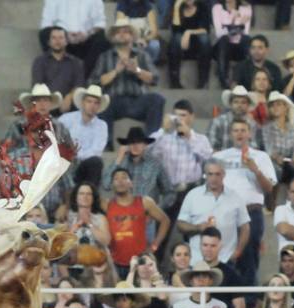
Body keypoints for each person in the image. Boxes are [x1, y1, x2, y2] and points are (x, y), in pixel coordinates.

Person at [214, 119, 276, 286]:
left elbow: (269, 188)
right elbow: (209, 186)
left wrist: (255, 170)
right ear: (230, 134)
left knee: (249, 258)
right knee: (223, 256)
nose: (239, 133)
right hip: (224, 211)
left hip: (251, 212)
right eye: (235, 130)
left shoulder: (261, 156)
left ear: (249, 133)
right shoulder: (218, 157)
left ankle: (249, 300)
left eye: (243, 130)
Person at [149, 100, 212, 243]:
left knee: (194, 227)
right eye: (176, 116)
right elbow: (145, 151)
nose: (179, 120)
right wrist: (162, 130)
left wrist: (189, 136)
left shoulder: (201, 139)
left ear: (192, 117)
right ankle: (156, 258)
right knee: (161, 227)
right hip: (170, 190)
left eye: (183, 115)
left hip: (192, 190)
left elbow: (208, 157)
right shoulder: (165, 139)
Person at [93, 17, 165, 141]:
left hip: (137, 100)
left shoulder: (142, 55)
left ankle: (151, 140)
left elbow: (155, 79)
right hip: (114, 101)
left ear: (132, 36)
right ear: (114, 36)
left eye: (125, 31)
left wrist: (137, 70)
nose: (121, 34)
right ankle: (106, 144)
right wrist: (116, 71)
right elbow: (95, 83)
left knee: (157, 99)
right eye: (118, 32)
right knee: (102, 101)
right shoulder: (105, 57)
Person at [177, 159, 250, 269]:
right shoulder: (193, 195)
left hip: (226, 259)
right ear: (205, 175)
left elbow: (245, 227)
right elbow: (180, 224)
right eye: (210, 174)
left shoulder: (235, 197)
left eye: (217, 174)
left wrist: (237, 252)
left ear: (224, 174)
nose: (214, 178)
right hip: (197, 260)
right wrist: (197, 228)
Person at [101, 168, 170, 278]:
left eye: (124, 177)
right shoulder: (106, 204)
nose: (120, 181)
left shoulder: (144, 202)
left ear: (131, 183)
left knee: (142, 295)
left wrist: (155, 245)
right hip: (114, 263)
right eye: (116, 179)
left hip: (140, 262)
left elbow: (165, 220)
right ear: (112, 185)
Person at [102, 126, 173, 210]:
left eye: (139, 142)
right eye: (132, 142)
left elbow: (170, 193)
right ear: (128, 145)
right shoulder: (121, 163)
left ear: (145, 145)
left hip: (147, 216)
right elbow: (106, 185)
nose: (135, 146)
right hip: (125, 215)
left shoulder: (155, 164)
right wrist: (118, 159)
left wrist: (157, 210)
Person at [39, 0, 108, 80]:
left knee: (101, 40)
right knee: (44, 34)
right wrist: (64, 35)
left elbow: (100, 23)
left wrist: (87, 34)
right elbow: (46, 24)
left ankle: (82, 79)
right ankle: (62, 78)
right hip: (62, 38)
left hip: (86, 39)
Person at [57, 85, 108, 187]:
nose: (92, 105)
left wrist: (76, 155)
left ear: (98, 106)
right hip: (65, 162)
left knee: (96, 162)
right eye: (89, 101)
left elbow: (96, 151)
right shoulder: (66, 119)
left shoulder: (102, 125)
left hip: (84, 165)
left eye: (96, 103)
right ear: (83, 103)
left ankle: (90, 195)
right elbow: (57, 140)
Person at [263, 91, 294, 200]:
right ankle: (270, 202)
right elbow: (269, 149)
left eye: (278, 104)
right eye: (272, 106)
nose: (275, 108)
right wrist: (276, 157)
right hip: (275, 161)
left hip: (291, 160)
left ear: (286, 107)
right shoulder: (267, 127)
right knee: (274, 169)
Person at [198, 226, 246, 308]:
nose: (208, 249)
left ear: (220, 246)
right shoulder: (193, 272)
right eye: (205, 245)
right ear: (200, 246)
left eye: (213, 246)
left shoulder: (231, 274)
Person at [32, 26, 84, 113]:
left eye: (61, 38)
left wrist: (69, 97)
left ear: (66, 41)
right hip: (46, 105)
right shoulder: (40, 61)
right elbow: (37, 86)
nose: (57, 41)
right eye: (54, 38)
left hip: (68, 106)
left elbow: (79, 85)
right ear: (49, 42)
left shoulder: (76, 62)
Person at [167, 0, 210, 90]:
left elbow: (205, 29)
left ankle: (203, 81)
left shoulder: (202, 7)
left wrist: (188, 32)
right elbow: (175, 30)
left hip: (198, 48)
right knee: (176, 38)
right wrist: (176, 6)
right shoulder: (177, 8)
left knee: (204, 38)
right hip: (181, 47)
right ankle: (175, 81)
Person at [211, 0, 251, 89]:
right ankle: (224, 81)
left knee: (247, 40)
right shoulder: (217, 8)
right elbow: (219, 33)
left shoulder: (246, 9)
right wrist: (234, 19)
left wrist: (230, 27)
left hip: (239, 46)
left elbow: (245, 33)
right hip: (222, 47)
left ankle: (248, 78)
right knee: (224, 40)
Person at [208, 85, 261, 152]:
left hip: (246, 159)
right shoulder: (218, 121)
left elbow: (255, 147)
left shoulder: (253, 124)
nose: (239, 105)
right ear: (230, 104)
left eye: (243, 102)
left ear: (248, 105)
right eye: (236, 102)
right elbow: (210, 146)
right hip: (221, 160)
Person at [115, 0, 160, 68]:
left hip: (144, 37)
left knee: (155, 45)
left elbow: (154, 31)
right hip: (128, 38)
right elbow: (120, 28)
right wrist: (135, 40)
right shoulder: (122, 4)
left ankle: (150, 67)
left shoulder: (147, 4)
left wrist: (145, 39)